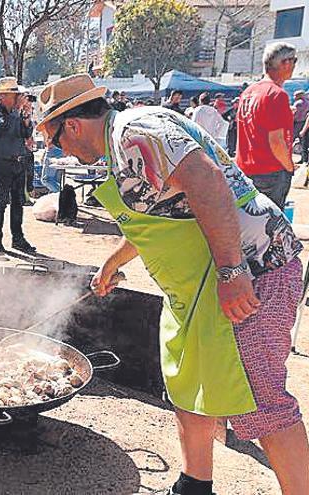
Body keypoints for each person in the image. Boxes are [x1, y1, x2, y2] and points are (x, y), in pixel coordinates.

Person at [38, 73, 308, 495]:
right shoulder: (117, 149)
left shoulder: (135, 132)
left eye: (56, 139)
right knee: (186, 382)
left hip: (254, 268)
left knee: (262, 400)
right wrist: (111, 264)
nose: (60, 149)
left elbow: (207, 182)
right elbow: (158, 218)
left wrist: (232, 272)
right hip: (197, 287)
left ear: (71, 124)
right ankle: (194, 485)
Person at [236, 42, 298, 209]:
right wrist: (289, 166)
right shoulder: (277, 95)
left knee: (249, 222)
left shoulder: (248, 92)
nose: (294, 66)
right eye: (294, 61)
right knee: (270, 224)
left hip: (246, 169)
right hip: (270, 171)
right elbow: (276, 142)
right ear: (285, 63)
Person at [0, 78, 36, 253]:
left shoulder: (15, 113)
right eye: (13, 95)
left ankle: (18, 238)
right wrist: (16, 111)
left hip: (19, 161)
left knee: (18, 203)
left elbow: (26, 133)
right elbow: (4, 132)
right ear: (1, 96)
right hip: (2, 163)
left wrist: (27, 116)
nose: (17, 98)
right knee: (1, 202)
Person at [292, 90, 308, 164]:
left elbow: (294, 115)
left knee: (291, 140)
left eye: (295, 95)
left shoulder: (298, 103)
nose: (293, 97)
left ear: (299, 95)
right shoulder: (307, 102)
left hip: (297, 123)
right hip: (304, 123)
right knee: (303, 142)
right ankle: (304, 158)